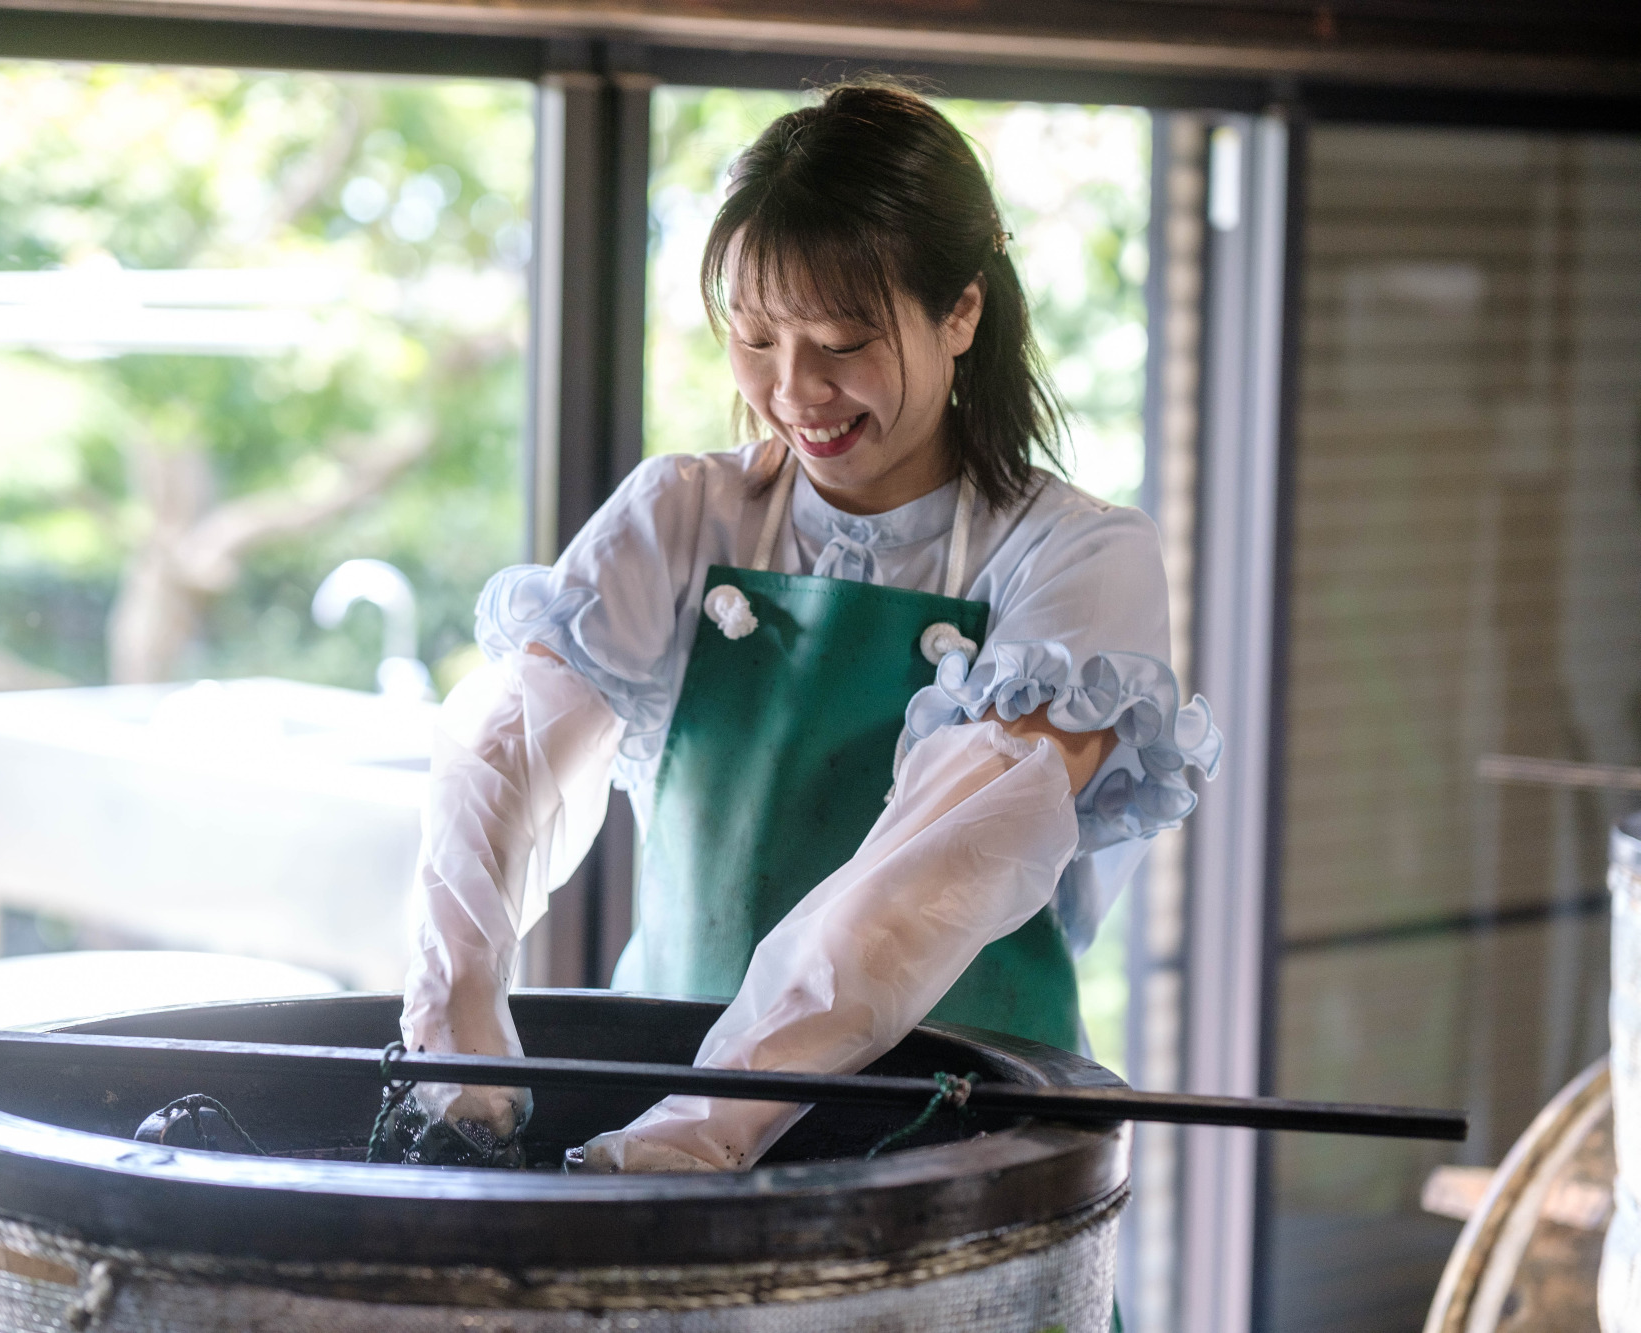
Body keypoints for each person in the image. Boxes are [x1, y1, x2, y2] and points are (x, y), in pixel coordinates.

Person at [394, 81, 1221, 1172]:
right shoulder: (681, 515)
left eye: (840, 340)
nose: (793, 391)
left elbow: (926, 883)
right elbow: (502, 755)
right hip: (660, 1088)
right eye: (754, 337)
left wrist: (704, 1127)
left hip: (947, 1147)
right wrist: (454, 1016)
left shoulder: (1078, 559)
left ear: (960, 312)